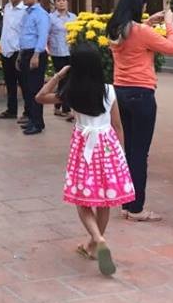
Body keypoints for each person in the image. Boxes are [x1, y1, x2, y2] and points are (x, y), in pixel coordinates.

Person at [35, 43, 134, 277]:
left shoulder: (70, 92)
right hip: (108, 146)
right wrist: (122, 154)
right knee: (105, 200)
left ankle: (97, 240)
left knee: (83, 200)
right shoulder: (109, 90)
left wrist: (60, 74)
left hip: (84, 148)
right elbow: (118, 126)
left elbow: (39, 97)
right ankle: (94, 244)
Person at [107, 0, 173, 222]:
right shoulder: (138, 31)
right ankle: (136, 208)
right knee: (139, 153)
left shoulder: (115, 28)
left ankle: (127, 202)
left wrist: (148, 21)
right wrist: (169, 23)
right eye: (144, 6)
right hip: (141, 94)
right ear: (138, 6)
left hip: (120, 93)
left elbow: (133, 36)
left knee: (128, 151)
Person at [17, 0, 50, 135]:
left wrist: (36, 55)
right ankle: (32, 118)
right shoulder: (27, 13)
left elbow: (42, 36)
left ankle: (38, 123)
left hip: (35, 54)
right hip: (25, 53)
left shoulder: (41, 14)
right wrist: (20, 55)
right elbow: (24, 35)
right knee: (27, 89)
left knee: (35, 89)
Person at [0, 0, 26, 120]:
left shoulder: (25, 10)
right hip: (6, 50)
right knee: (10, 83)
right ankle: (11, 110)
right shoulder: (7, 8)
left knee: (24, 83)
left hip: (18, 51)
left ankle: (28, 112)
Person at [48, 0, 77, 118]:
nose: (61, 2)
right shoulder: (51, 18)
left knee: (69, 78)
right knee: (62, 78)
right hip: (57, 52)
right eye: (58, 0)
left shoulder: (73, 17)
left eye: (63, 0)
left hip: (70, 51)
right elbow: (47, 34)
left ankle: (60, 106)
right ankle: (64, 107)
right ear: (55, 3)